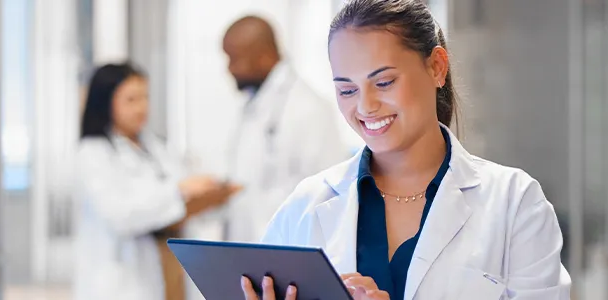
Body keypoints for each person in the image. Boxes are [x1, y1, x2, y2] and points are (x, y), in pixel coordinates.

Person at [241, 1, 571, 299]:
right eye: (346, 89)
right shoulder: (303, 208)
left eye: (384, 83)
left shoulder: (516, 204)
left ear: (436, 68)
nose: (365, 106)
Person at [73, 63, 239, 300]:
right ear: (105, 102)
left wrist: (213, 196)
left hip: (167, 271)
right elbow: (120, 216)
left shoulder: (156, 148)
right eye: (131, 100)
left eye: (145, 98)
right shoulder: (93, 154)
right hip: (120, 283)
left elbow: (181, 205)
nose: (142, 107)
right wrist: (180, 190)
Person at [219, 16, 355, 242]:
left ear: (264, 57)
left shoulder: (309, 108)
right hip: (250, 251)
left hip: (290, 251)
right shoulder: (253, 105)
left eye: (234, 59)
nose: (229, 68)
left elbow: (330, 195)